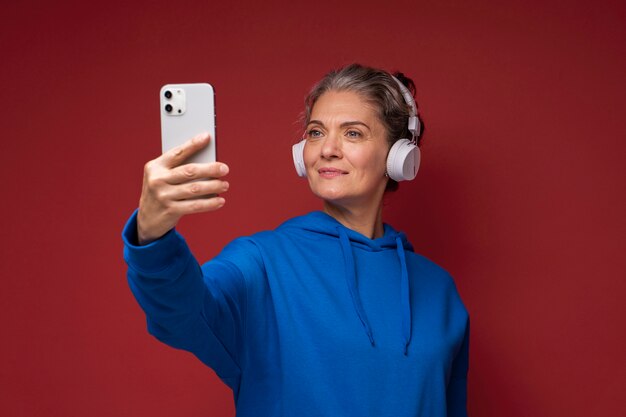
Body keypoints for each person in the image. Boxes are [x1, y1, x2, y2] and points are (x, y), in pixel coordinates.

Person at [122, 63, 469, 417]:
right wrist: (153, 232)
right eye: (316, 132)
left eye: (352, 133)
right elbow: (180, 312)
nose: (327, 149)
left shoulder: (439, 290)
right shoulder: (260, 262)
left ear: (398, 155)